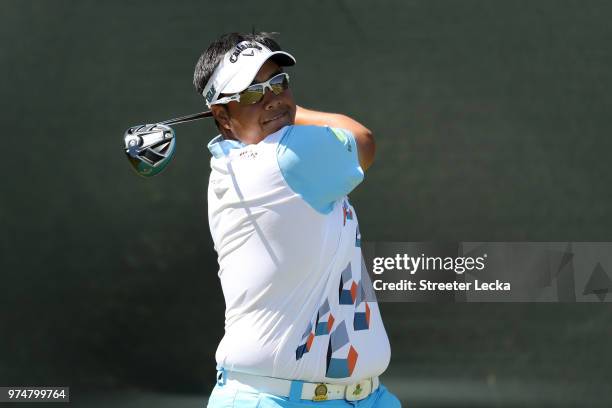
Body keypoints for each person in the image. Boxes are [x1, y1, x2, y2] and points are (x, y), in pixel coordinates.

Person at [193, 32, 401, 408]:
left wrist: (270, 108)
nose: (272, 98)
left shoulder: (238, 160)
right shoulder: (284, 157)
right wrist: (294, 111)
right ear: (223, 117)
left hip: (368, 397)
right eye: (253, 92)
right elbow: (362, 139)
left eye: (279, 83)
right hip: (276, 399)